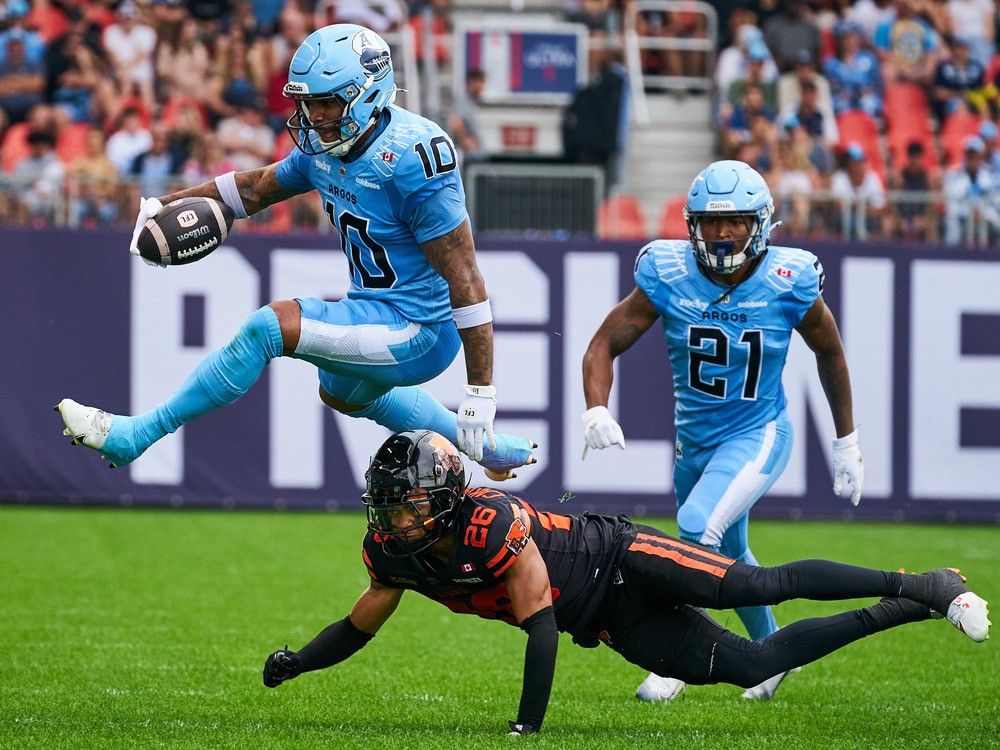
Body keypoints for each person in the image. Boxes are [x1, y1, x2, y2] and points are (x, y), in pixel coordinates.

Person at [260, 430, 990, 736]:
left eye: (408, 501)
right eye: (389, 504)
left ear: (446, 495)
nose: (396, 517)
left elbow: (537, 622)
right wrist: (299, 662)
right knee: (755, 662)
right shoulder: (394, 554)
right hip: (607, 620)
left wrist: (527, 728)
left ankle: (917, 582)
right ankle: (908, 606)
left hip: (624, 558)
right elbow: (359, 626)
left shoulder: (490, 523)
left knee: (757, 587)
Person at [56, 24, 535, 480]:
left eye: (327, 103)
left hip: (420, 329)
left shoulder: (414, 158)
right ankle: (478, 445)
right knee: (342, 395)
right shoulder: (325, 146)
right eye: (309, 105)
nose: (316, 118)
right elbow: (254, 189)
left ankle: (136, 435)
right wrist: (165, 204)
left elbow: (466, 280)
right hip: (371, 307)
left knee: (270, 326)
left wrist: (479, 392)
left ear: (367, 93)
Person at [579, 160, 864, 704]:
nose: (723, 232)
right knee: (729, 551)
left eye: (735, 220)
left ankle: (677, 659)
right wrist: (596, 409)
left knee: (695, 528)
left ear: (760, 223)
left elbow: (830, 351)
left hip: (758, 433)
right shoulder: (667, 272)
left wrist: (845, 439)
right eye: (712, 221)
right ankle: (773, 653)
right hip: (695, 443)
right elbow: (603, 344)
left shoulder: (789, 278)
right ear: (693, 224)